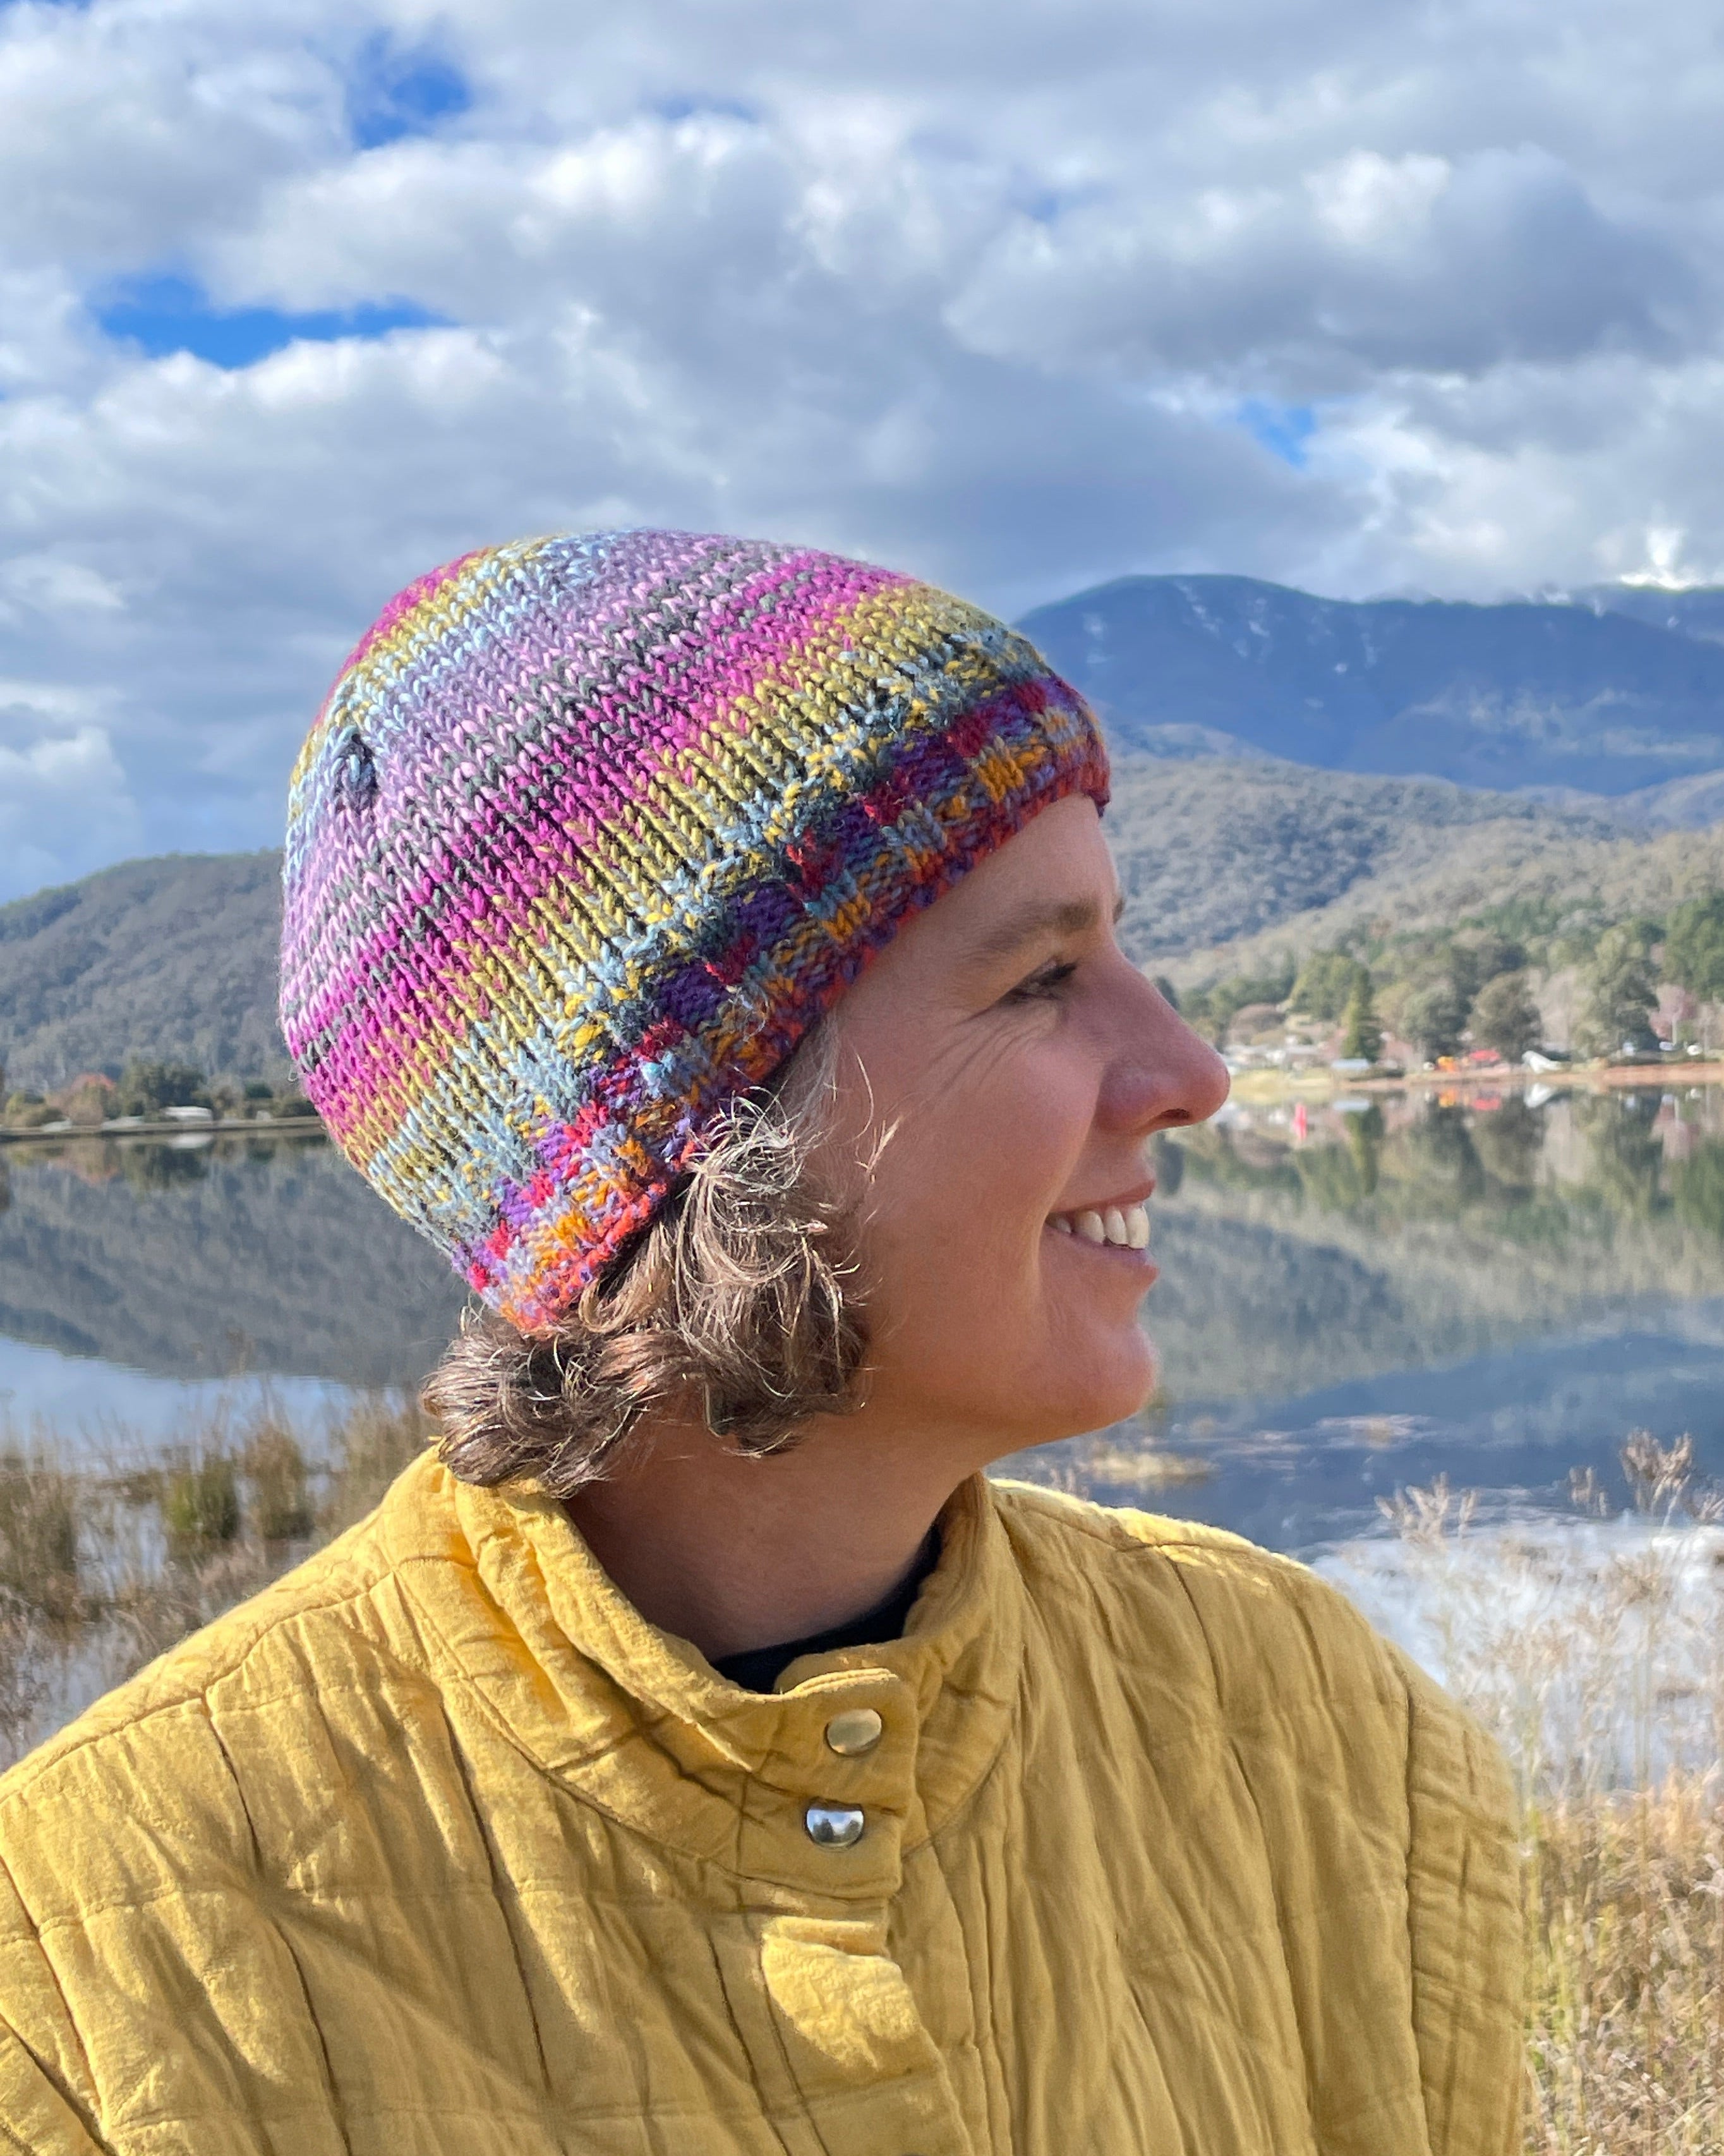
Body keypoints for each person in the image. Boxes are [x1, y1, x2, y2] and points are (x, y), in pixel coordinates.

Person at [0, 531, 1521, 2154]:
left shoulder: (1302, 1713)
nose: (1194, 1070)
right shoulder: (89, 1978)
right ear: (688, 1146)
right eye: (1042, 978)